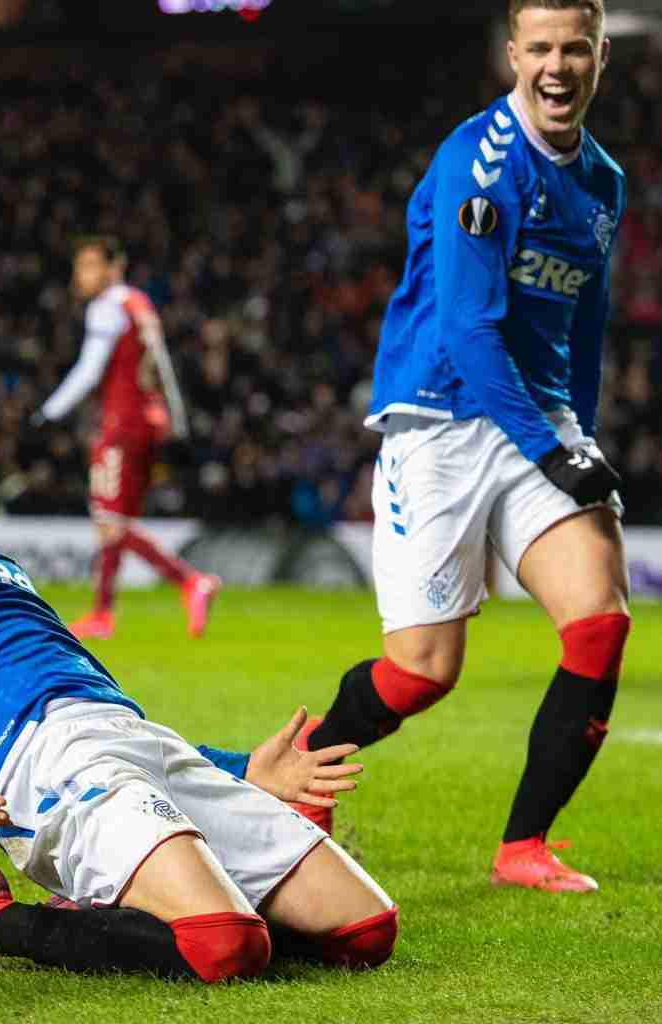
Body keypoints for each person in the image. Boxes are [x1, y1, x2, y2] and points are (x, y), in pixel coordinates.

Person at [0, 331, 397, 981]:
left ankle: (123, 900)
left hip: (137, 740)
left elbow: (82, 699)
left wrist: (242, 766)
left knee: (364, 930)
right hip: (43, 763)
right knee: (225, 946)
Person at [296, 0, 629, 892]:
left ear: (600, 56)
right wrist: (548, 448)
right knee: (422, 674)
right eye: (540, 49)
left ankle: (523, 847)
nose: (556, 67)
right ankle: (303, 775)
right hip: (440, 420)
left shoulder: (600, 181)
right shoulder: (480, 164)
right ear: (512, 55)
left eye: (574, 49)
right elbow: (469, 328)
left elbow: (584, 325)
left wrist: (576, 441)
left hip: (536, 415)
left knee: (598, 623)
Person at [33, 237, 221, 641]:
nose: (79, 277)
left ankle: (190, 581)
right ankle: (104, 613)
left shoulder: (108, 307)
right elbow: (163, 367)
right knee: (116, 523)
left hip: (121, 424)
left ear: (114, 268)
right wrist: (177, 418)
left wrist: (49, 412)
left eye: (88, 266)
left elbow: (89, 369)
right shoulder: (141, 304)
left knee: (110, 522)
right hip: (150, 421)